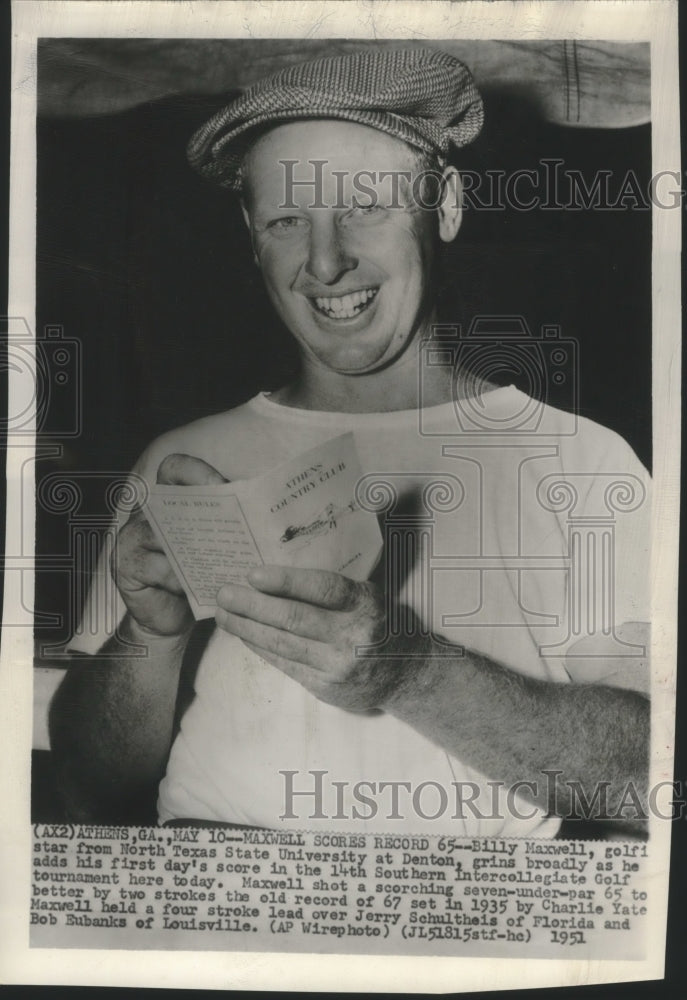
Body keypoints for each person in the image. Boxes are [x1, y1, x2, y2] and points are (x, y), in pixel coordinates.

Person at [49, 48, 650, 836]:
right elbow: (91, 791)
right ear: (249, 234)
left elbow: (646, 775)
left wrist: (411, 672)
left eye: (363, 206)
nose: (325, 263)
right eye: (288, 220)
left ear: (445, 205)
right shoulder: (182, 463)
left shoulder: (580, 460)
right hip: (218, 917)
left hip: (466, 926)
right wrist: (150, 635)